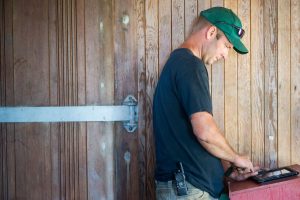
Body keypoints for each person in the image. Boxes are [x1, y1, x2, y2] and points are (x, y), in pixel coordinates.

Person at [153, 7, 259, 200]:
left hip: (187, 187)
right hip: (188, 190)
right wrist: (237, 158)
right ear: (211, 32)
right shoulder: (190, 65)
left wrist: (228, 172)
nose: (226, 56)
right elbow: (205, 132)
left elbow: (193, 138)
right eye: (227, 46)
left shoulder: (179, 63)